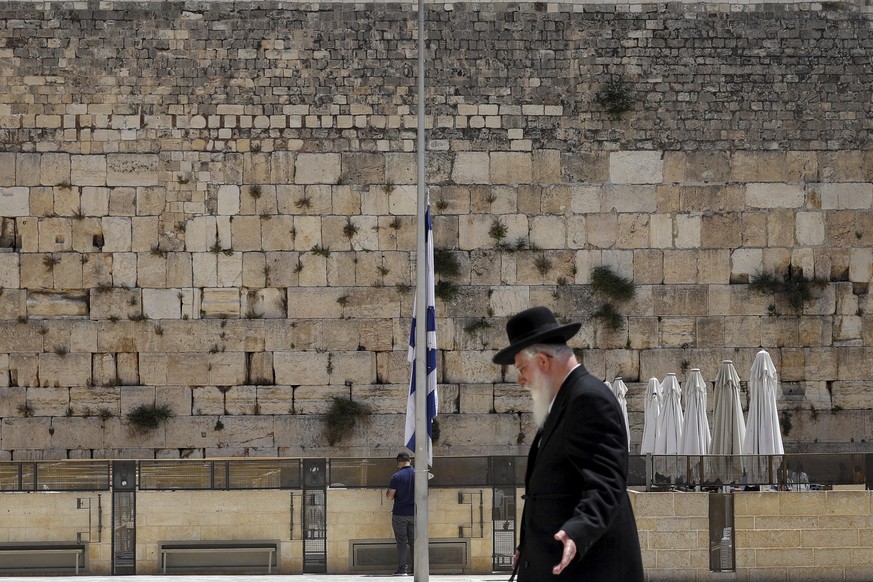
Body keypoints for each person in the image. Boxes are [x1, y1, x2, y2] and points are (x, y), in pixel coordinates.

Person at [493, 306, 644, 581]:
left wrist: (578, 530)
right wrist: (527, 548)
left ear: (543, 361)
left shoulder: (588, 399)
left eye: (522, 369)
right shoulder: (566, 401)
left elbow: (607, 482)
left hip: (585, 569)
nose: (520, 381)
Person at [386, 452, 415, 576]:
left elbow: (390, 496)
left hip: (400, 514)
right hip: (415, 514)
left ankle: (403, 569)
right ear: (410, 461)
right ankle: (416, 569)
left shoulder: (396, 476)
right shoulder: (418, 474)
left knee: (402, 542)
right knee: (414, 542)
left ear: (398, 462)